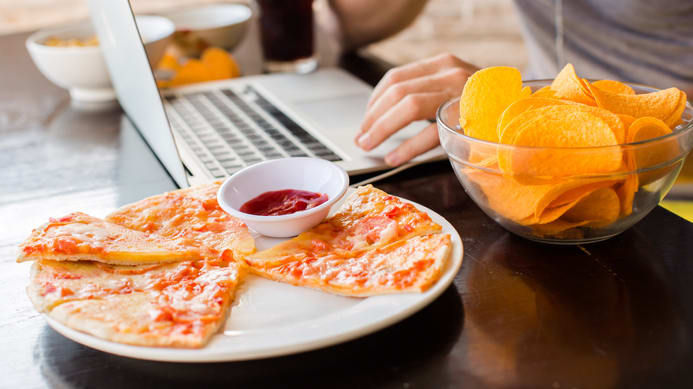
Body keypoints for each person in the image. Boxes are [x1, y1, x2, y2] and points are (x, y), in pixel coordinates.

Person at [327, 0, 693, 166]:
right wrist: (509, 112)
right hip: (534, 161)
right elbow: (351, 21)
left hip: (674, 180)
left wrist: (530, 109)